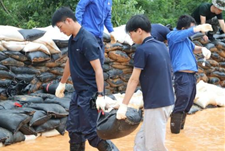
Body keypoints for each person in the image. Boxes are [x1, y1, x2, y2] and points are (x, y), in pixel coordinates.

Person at [51, 7, 118, 151]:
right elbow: (70, 61)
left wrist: (100, 95)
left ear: (68, 20)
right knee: (74, 130)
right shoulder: (72, 40)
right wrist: (62, 83)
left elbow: (98, 69)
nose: (60, 31)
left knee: (92, 133)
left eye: (60, 27)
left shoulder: (87, 40)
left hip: (90, 93)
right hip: (79, 91)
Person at [116, 14, 174, 151]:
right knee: (141, 142)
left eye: (131, 34)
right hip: (167, 101)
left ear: (139, 31)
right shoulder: (161, 46)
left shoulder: (142, 50)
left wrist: (123, 105)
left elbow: (134, 80)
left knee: (155, 147)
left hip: (156, 105)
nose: (131, 38)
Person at [166, 15, 212, 134]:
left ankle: (180, 129)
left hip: (191, 76)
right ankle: (175, 132)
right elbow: (184, 33)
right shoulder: (173, 36)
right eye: (191, 28)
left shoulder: (186, 40)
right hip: (182, 75)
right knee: (182, 100)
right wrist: (197, 28)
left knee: (189, 101)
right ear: (183, 28)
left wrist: (202, 49)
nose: (193, 31)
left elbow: (193, 48)